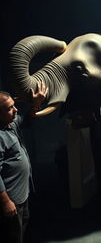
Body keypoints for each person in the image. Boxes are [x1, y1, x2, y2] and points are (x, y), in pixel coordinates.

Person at [0, 82, 48, 243]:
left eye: (14, 106)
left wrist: (35, 104)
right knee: (13, 235)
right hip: (11, 199)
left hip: (22, 193)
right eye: (9, 108)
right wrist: (6, 202)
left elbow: (26, 120)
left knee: (22, 228)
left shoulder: (11, 123)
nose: (16, 110)